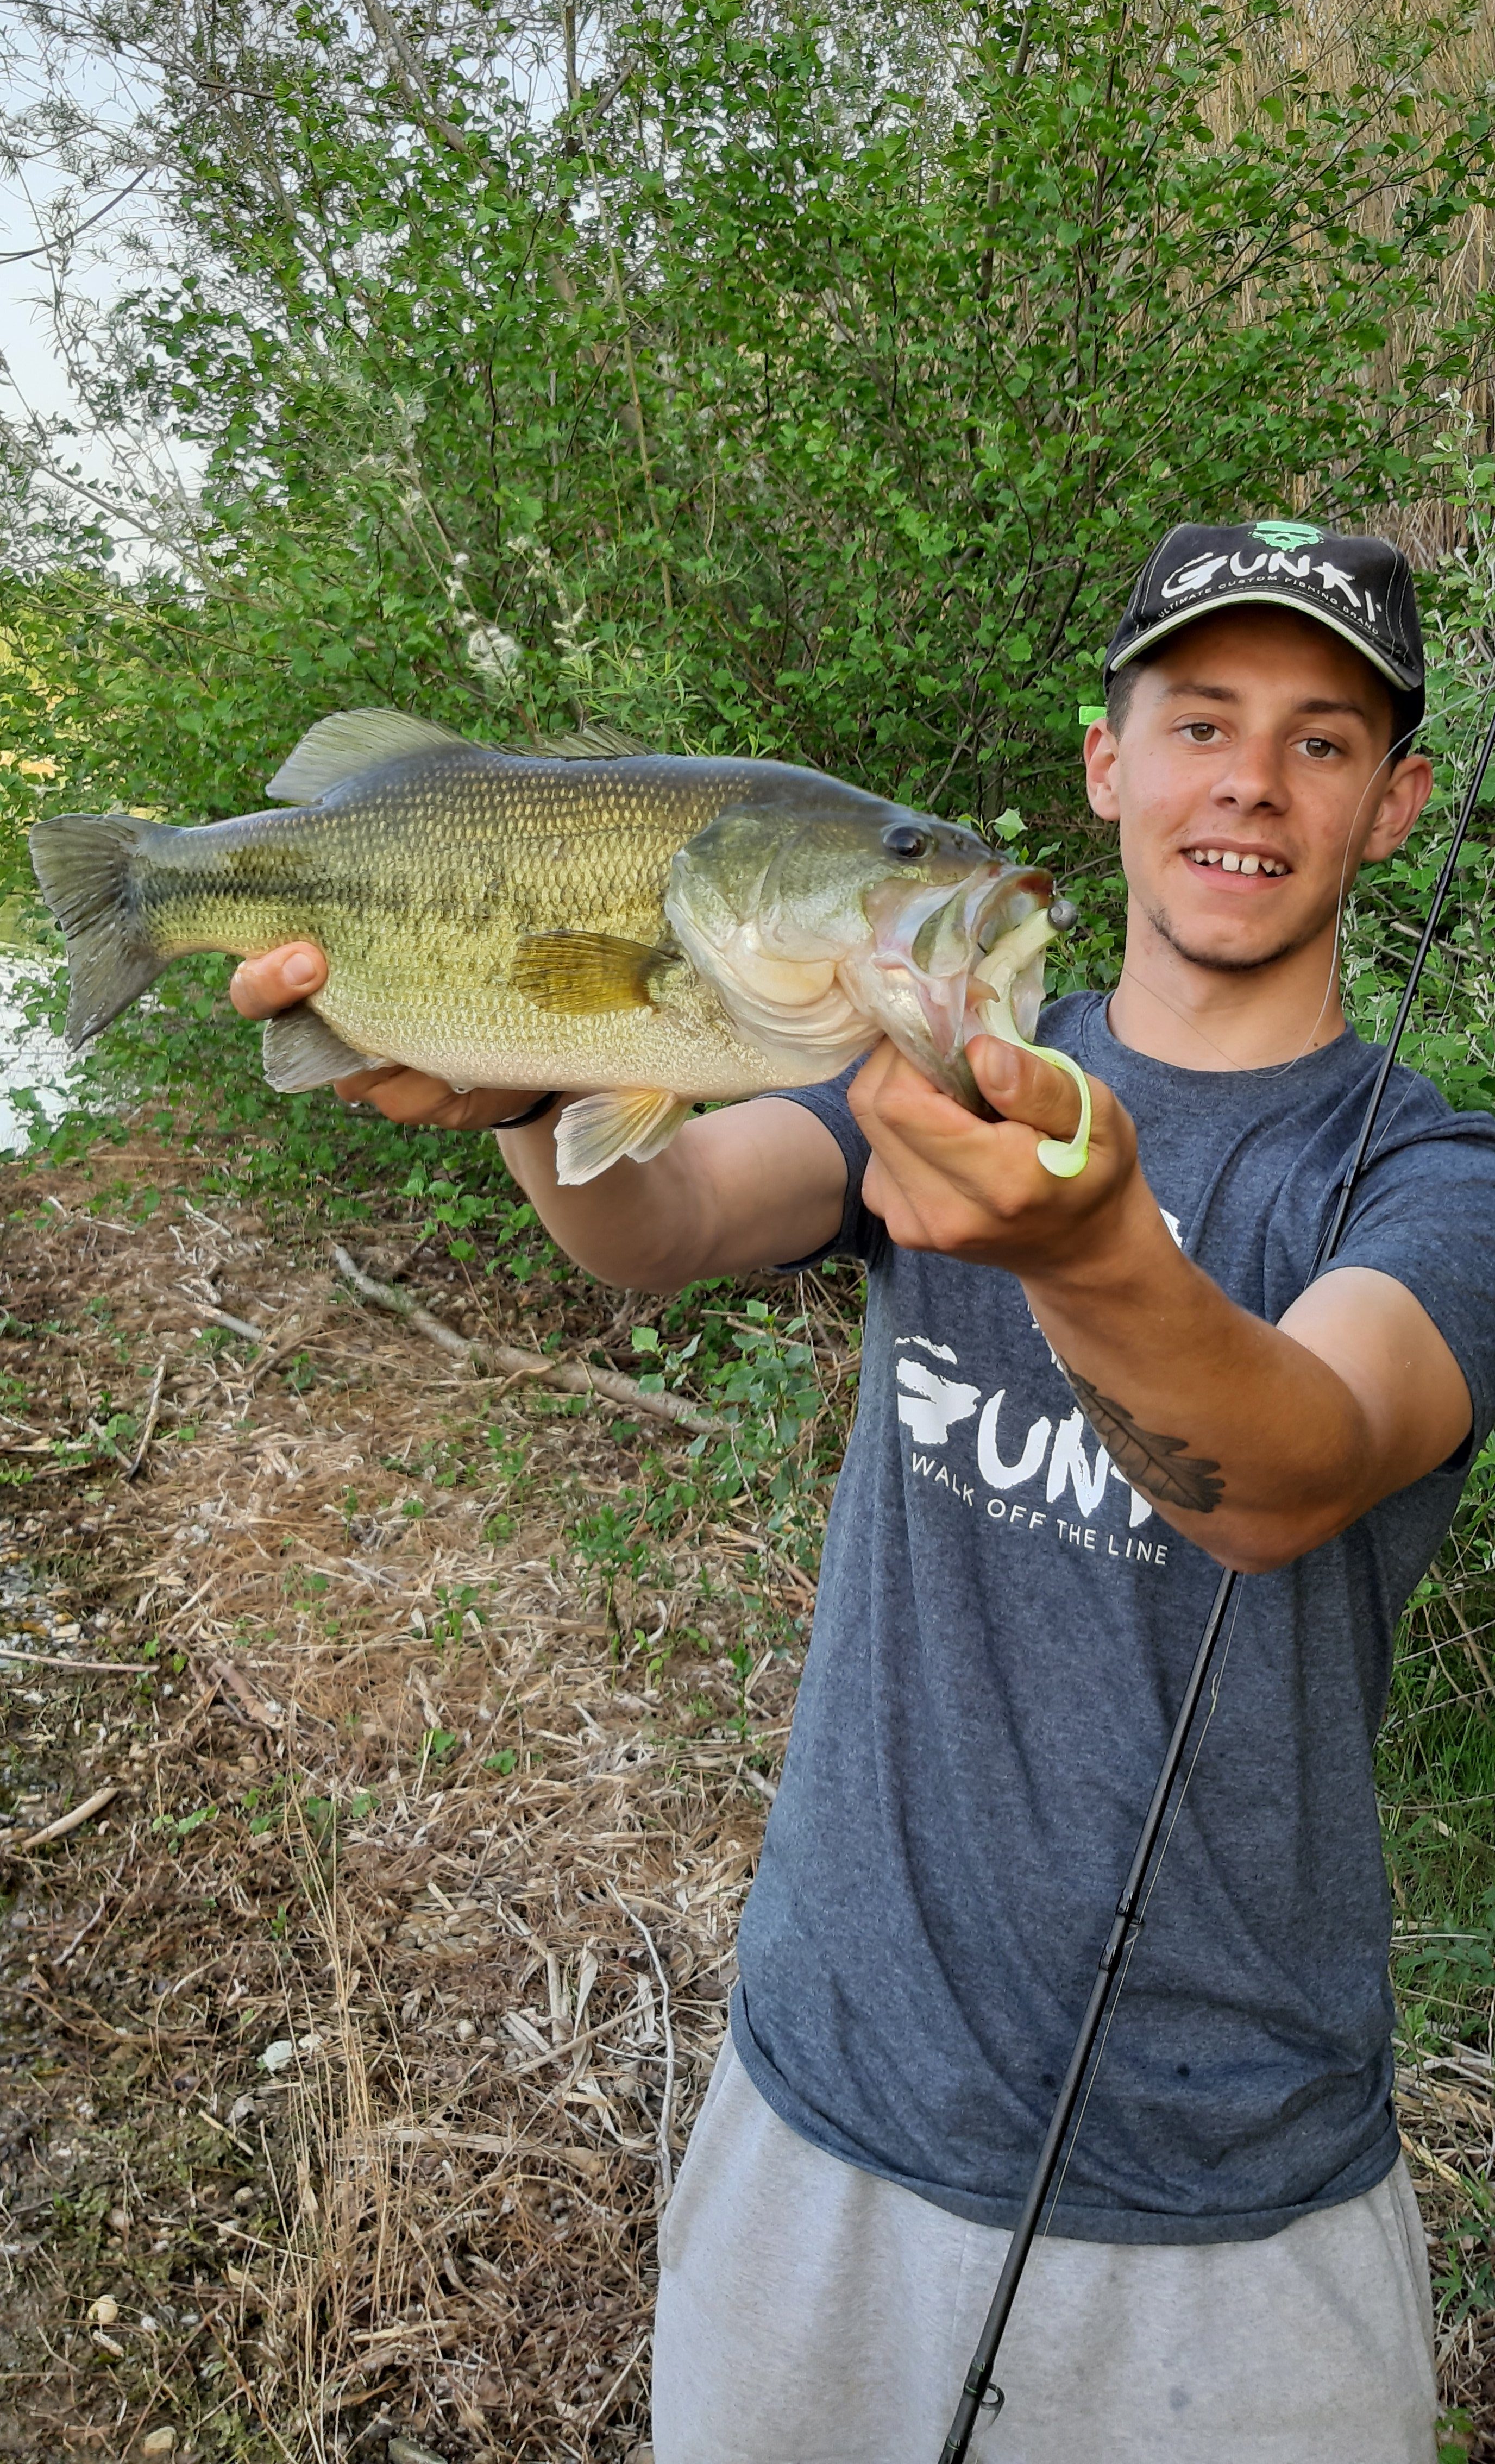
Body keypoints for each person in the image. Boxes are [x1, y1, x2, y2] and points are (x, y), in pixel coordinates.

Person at [231, 520, 1495, 2464]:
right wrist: (522, 1076)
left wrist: (1089, 1257)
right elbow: (663, 1217)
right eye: (1201, 721)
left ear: (1393, 804)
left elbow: (1294, 1465)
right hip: (823, 2093)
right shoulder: (924, 1073)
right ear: (1108, 765)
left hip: (1231, 2190)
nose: (1250, 778)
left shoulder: (1440, 1180)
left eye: (1323, 743)